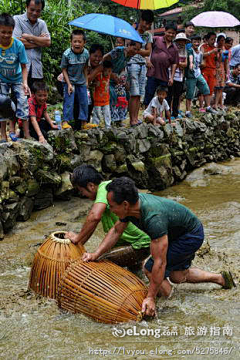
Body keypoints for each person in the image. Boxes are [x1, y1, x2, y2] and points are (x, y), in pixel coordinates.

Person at [82, 176, 236, 316]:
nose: (111, 209)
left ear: (125, 204)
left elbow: (159, 262)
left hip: (189, 236)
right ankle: (221, 279)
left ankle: (171, 307)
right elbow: (116, 231)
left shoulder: (153, 219)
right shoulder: (129, 210)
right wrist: (95, 254)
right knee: (177, 276)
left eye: (112, 206)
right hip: (177, 232)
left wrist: (150, 297)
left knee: (149, 268)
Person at [65, 165, 150, 269]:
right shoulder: (106, 191)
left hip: (139, 243)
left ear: (91, 185)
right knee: (134, 272)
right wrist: (79, 243)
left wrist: (77, 238)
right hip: (134, 242)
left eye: (81, 191)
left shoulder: (105, 189)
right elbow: (92, 225)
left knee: (101, 261)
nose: (82, 194)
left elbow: (94, 217)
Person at [0, 13, 30, 142]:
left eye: (9, 32)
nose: (6, 35)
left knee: (23, 102)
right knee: (2, 105)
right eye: (3, 32)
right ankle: (3, 135)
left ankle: (26, 133)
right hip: (2, 80)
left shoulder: (18, 45)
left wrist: (25, 83)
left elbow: (24, 66)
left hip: (17, 79)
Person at [13, 0, 51, 89]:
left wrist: (29, 37)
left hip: (36, 69)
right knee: (20, 99)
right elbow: (17, 42)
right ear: (26, 7)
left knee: (36, 100)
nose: (34, 13)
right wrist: (39, 41)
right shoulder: (17, 19)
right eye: (32, 9)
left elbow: (48, 42)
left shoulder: (42, 24)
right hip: (20, 68)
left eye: (38, 11)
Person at [103, 40, 142, 127]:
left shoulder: (128, 56)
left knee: (122, 95)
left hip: (117, 79)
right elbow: (104, 59)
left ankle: (119, 120)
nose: (135, 52)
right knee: (112, 94)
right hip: (108, 78)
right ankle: (111, 120)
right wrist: (110, 73)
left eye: (138, 50)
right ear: (129, 45)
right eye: (134, 49)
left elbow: (122, 67)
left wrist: (122, 78)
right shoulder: (118, 51)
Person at [61, 29, 93, 131]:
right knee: (69, 101)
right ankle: (65, 121)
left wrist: (86, 81)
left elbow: (85, 67)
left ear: (84, 42)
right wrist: (69, 84)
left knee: (84, 101)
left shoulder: (86, 53)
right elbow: (64, 69)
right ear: (71, 42)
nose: (77, 44)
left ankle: (84, 122)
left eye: (80, 41)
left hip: (81, 81)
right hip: (69, 81)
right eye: (75, 41)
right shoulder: (66, 54)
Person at [127, 10, 153, 126]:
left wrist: (137, 50)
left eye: (149, 24)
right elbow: (128, 50)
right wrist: (138, 51)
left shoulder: (148, 35)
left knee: (139, 94)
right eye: (145, 23)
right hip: (132, 64)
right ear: (141, 20)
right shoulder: (131, 32)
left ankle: (136, 118)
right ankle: (132, 119)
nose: (146, 26)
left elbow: (148, 52)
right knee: (134, 93)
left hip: (143, 66)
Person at [144, 22, 179, 107]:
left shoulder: (174, 48)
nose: (170, 35)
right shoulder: (156, 39)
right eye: (169, 32)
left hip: (164, 75)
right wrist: (147, 59)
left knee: (163, 96)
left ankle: (159, 114)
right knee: (149, 93)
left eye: (173, 33)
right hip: (152, 72)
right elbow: (146, 47)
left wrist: (172, 77)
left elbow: (174, 63)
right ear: (165, 31)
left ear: (175, 34)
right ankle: (146, 114)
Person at [185, 35, 212, 118]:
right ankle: (188, 111)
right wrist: (191, 64)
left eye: (198, 42)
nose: (196, 43)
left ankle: (208, 107)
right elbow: (190, 58)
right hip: (191, 75)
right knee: (190, 93)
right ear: (191, 42)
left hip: (198, 73)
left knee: (206, 88)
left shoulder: (200, 52)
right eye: (194, 42)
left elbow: (200, 63)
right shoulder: (190, 51)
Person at [167, 32, 188, 119]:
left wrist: (178, 63)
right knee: (169, 95)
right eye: (180, 41)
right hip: (170, 74)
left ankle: (175, 113)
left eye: (183, 41)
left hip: (180, 76)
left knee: (177, 95)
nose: (181, 43)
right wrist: (179, 64)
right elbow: (171, 61)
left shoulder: (185, 50)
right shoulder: (172, 49)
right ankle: (167, 113)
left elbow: (185, 64)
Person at [200, 32, 218, 112]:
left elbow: (217, 61)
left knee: (210, 89)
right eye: (211, 39)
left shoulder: (215, 48)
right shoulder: (203, 46)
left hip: (212, 70)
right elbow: (201, 55)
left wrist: (218, 54)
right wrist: (211, 52)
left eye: (214, 39)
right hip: (204, 69)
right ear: (207, 40)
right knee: (203, 88)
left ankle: (208, 106)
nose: (213, 41)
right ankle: (201, 107)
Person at [92, 60, 112, 129]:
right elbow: (92, 82)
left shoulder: (109, 76)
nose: (107, 73)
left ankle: (108, 126)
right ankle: (95, 126)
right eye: (106, 71)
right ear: (102, 70)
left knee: (107, 113)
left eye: (109, 71)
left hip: (106, 99)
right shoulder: (98, 75)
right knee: (97, 113)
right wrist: (95, 84)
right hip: (97, 99)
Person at [214, 35, 228, 110]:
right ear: (218, 41)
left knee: (221, 88)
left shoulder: (225, 50)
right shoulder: (215, 49)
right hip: (215, 69)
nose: (222, 42)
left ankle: (219, 103)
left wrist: (226, 72)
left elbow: (226, 62)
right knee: (216, 87)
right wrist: (218, 52)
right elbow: (217, 60)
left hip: (221, 70)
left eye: (223, 40)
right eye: (221, 40)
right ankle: (215, 104)